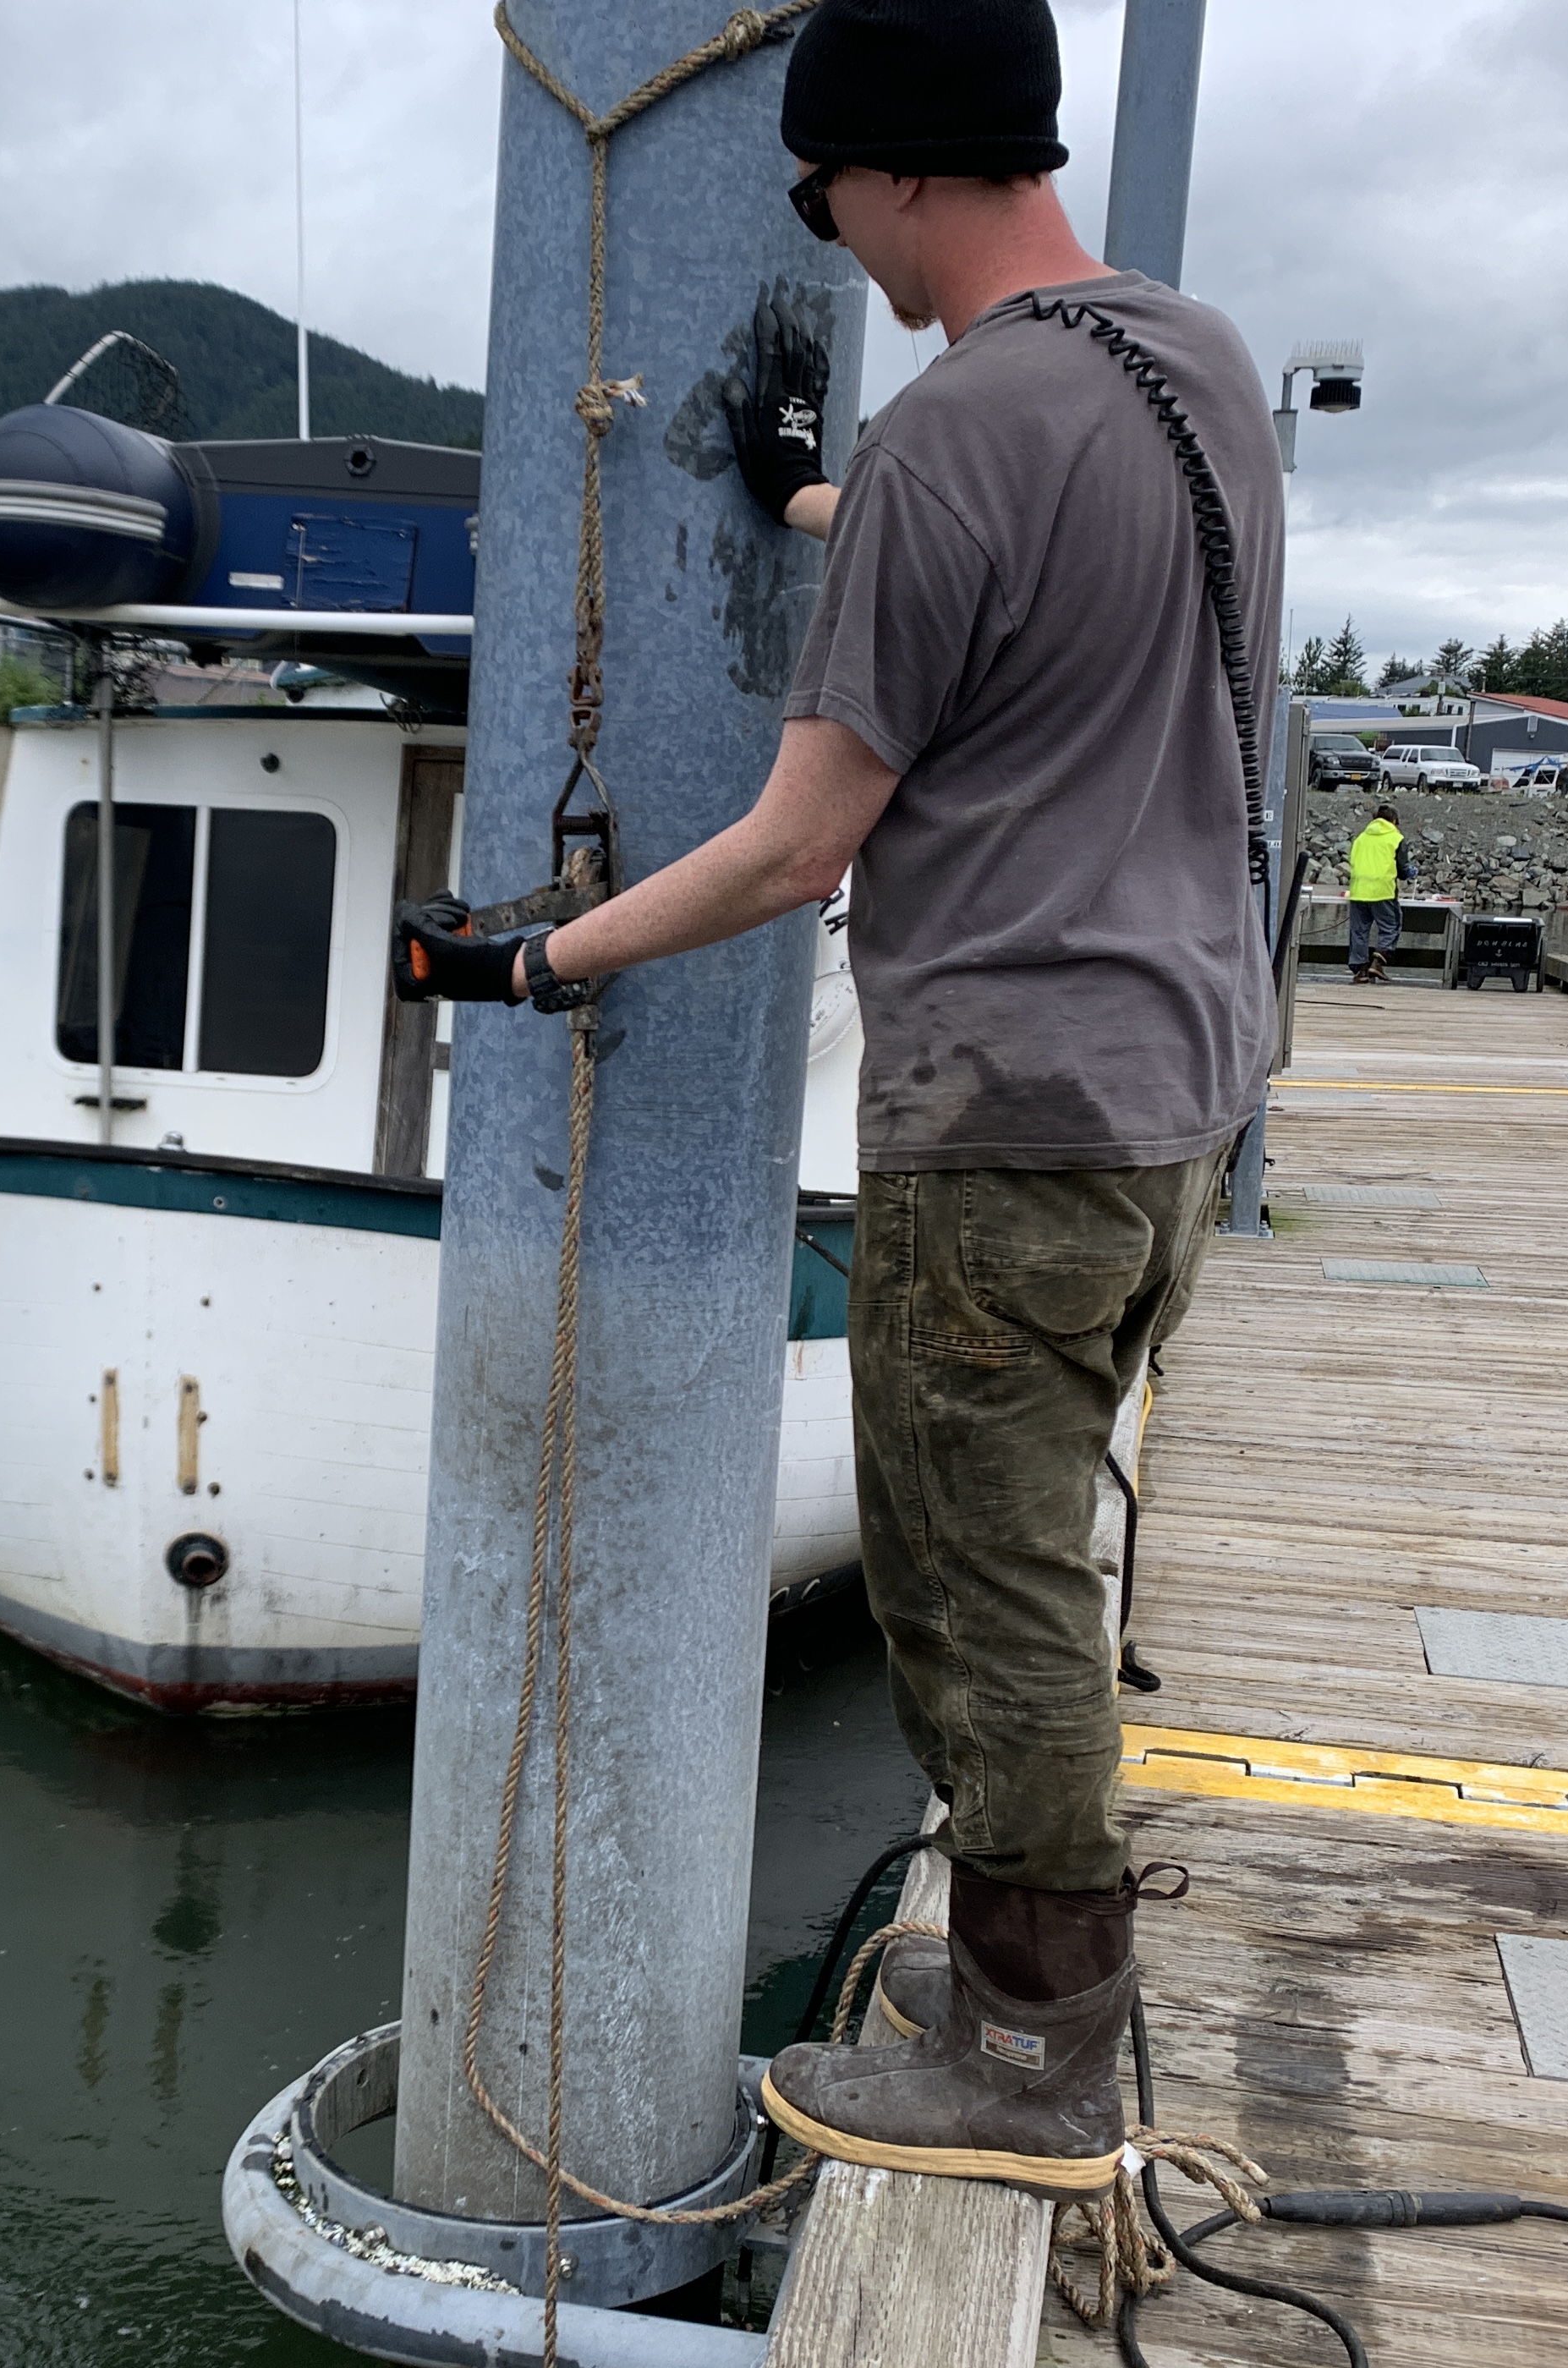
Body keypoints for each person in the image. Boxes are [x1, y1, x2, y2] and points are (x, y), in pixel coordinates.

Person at [394, 0, 1280, 2194]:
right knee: (1032, 1555)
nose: (827, 240)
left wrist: (528, 959)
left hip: (1010, 1112)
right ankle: (1003, 1983)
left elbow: (802, 843)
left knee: (979, 1594)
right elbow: (1018, 568)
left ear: (892, 172)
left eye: (820, 196)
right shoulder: (1192, 372)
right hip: (1176, 1093)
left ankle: (1035, 2061)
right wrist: (822, 492)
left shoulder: (958, 437)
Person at [1346, 806, 1404, 982]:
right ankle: (1378, 961)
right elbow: (1402, 868)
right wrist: (1409, 872)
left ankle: (1361, 970)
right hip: (1382, 891)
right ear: (1394, 820)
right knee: (1391, 926)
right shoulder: (1395, 838)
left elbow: (1353, 861)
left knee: (1359, 931)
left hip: (1358, 891)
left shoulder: (1361, 838)